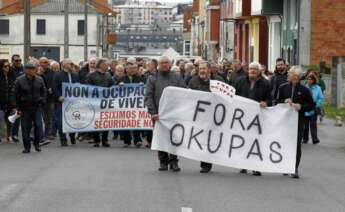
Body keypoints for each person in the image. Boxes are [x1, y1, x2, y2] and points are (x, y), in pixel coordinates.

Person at [145, 56, 186, 172]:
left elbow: (184, 92)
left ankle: (174, 161)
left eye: (166, 63)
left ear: (170, 64)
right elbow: (148, 96)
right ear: (158, 64)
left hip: (174, 114)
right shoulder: (152, 78)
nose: (164, 65)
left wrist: (181, 111)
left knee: (174, 138)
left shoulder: (177, 77)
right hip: (158, 114)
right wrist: (153, 112)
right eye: (162, 63)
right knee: (160, 138)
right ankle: (163, 161)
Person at [234, 62, 272, 176]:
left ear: (259, 71)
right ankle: (243, 165)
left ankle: (256, 166)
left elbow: (271, 99)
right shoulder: (240, 81)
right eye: (250, 69)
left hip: (258, 118)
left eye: (255, 70)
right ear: (247, 70)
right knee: (243, 140)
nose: (252, 71)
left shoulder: (266, 83)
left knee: (256, 142)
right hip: (242, 117)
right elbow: (233, 95)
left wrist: (266, 103)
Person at [277, 66, 315, 179]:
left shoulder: (304, 90)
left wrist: (301, 106)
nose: (288, 74)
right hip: (284, 120)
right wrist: (284, 100)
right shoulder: (283, 87)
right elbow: (276, 101)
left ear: (296, 76)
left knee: (296, 144)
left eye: (290, 73)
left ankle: (294, 168)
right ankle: (284, 165)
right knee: (284, 143)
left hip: (298, 121)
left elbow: (312, 105)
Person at [13, 63, 47, 153]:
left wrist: (42, 100)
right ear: (26, 70)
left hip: (37, 107)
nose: (33, 70)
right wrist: (15, 106)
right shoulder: (19, 80)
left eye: (34, 69)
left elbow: (44, 91)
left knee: (38, 125)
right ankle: (27, 147)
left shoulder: (39, 79)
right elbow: (14, 94)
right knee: (25, 128)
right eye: (31, 69)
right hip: (25, 108)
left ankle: (37, 144)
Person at [187, 61, 214, 173]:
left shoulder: (217, 82)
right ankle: (204, 161)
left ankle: (206, 164)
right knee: (201, 138)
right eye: (200, 69)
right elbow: (187, 95)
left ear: (209, 70)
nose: (202, 70)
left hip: (212, 116)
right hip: (197, 116)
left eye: (204, 68)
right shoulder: (192, 81)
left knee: (209, 139)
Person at [86, 58, 114, 147]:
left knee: (106, 120)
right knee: (96, 120)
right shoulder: (91, 75)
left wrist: (115, 86)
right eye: (106, 64)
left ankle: (105, 140)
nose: (108, 66)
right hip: (95, 102)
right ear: (101, 65)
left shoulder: (108, 75)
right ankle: (96, 140)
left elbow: (113, 84)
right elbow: (87, 88)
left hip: (106, 102)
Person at [52, 59, 78, 146]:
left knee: (73, 119)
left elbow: (78, 86)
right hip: (62, 101)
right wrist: (58, 96)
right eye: (70, 64)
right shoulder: (58, 74)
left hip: (73, 102)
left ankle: (72, 136)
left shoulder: (74, 74)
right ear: (64, 65)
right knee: (61, 121)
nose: (71, 65)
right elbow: (54, 87)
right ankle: (63, 139)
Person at [122, 58, 144, 148]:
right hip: (125, 104)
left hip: (136, 104)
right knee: (125, 122)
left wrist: (143, 85)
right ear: (126, 69)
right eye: (130, 68)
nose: (132, 70)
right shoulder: (122, 78)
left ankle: (137, 140)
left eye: (134, 68)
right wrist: (119, 85)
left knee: (136, 122)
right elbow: (113, 88)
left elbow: (147, 87)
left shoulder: (140, 78)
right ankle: (127, 141)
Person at [303, 73, 324, 144]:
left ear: (314, 80)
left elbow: (320, 98)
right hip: (306, 108)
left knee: (313, 125)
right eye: (308, 79)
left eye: (311, 79)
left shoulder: (318, 88)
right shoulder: (305, 87)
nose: (309, 80)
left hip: (314, 108)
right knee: (305, 126)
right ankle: (305, 139)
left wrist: (316, 105)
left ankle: (315, 139)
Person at [39, 57, 55, 141]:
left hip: (49, 99)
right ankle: (38, 134)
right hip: (40, 98)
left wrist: (52, 88)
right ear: (39, 63)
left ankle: (48, 134)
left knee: (49, 117)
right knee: (39, 118)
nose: (44, 64)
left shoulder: (52, 72)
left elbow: (54, 82)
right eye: (42, 62)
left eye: (46, 62)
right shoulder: (36, 72)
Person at [0, 59, 16, 143]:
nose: (7, 68)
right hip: (1, 103)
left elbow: (15, 90)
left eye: (8, 66)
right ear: (1, 67)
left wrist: (14, 104)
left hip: (11, 102)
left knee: (10, 120)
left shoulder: (12, 76)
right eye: (5, 66)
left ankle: (9, 136)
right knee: (0, 118)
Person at [9, 54, 24, 142]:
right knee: (13, 116)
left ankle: (17, 134)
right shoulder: (10, 70)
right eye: (16, 60)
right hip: (13, 96)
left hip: (22, 97)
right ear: (13, 61)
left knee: (20, 116)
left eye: (20, 60)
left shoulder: (23, 69)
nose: (18, 62)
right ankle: (11, 134)